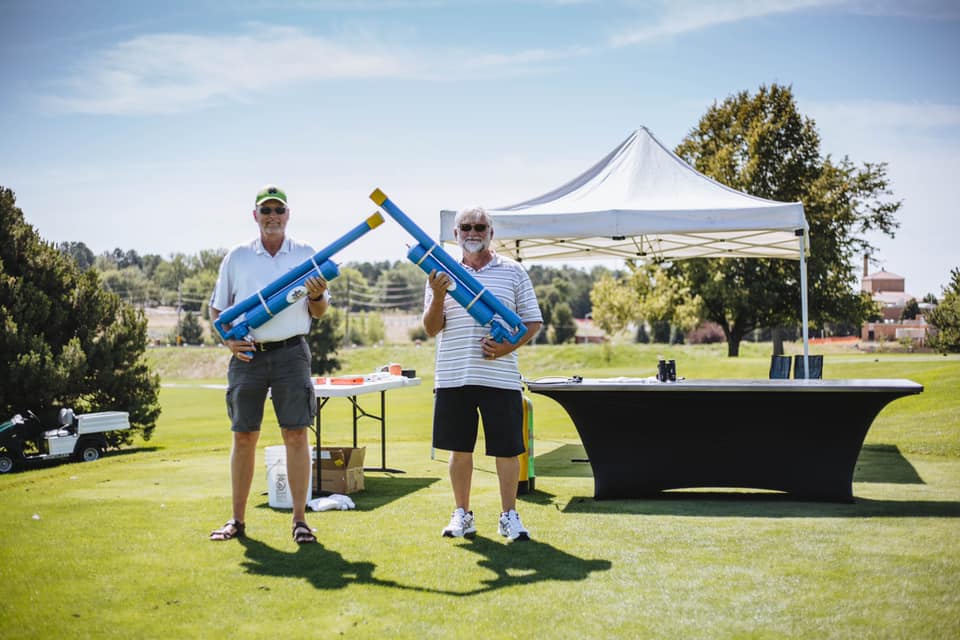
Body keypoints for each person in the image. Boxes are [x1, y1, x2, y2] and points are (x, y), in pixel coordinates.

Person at [208, 184, 329, 545]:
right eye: (266, 211)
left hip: (292, 352)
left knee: (296, 434)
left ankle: (300, 521)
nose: (273, 217)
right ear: (256, 215)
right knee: (244, 436)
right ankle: (237, 521)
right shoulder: (238, 256)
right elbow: (217, 310)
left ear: (288, 215)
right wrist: (228, 340)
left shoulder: (305, 254)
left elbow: (319, 312)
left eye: (279, 210)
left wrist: (318, 294)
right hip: (248, 356)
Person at [423, 206, 543, 541]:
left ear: (491, 233)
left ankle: (509, 516)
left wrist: (506, 348)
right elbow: (432, 329)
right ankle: (462, 514)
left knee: (507, 450)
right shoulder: (439, 273)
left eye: (480, 227)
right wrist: (437, 296)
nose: (473, 232)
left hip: (500, 376)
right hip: (453, 375)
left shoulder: (513, 272)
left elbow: (533, 321)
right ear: (456, 234)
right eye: (466, 227)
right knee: (459, 450)